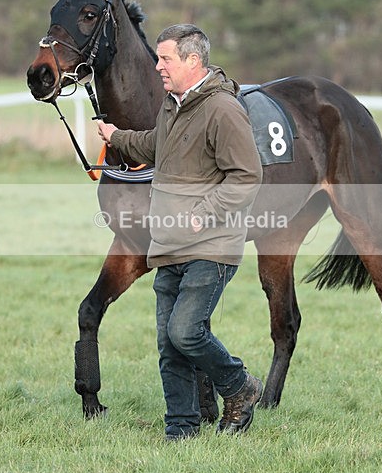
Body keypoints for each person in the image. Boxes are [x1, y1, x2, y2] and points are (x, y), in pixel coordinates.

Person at [97, 24, 263, 441]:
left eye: (165, 58)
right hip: (168, 243)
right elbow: (159, 145)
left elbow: (246, 176)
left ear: (193, 61)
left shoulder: (223, 109)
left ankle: (240, 387)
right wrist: (117, 137)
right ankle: (181, 429)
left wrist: (204, 214)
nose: (157, 67)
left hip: (211, 245)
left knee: (185, 332)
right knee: (169, 345)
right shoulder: (173, 105)